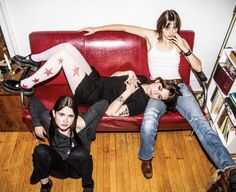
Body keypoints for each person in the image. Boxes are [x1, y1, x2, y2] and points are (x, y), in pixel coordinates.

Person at [79, 9, 236, 190]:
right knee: (149, 121)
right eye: (167, 27)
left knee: (200, 121)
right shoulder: (151, 36)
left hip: (178, 87)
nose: (171, 32)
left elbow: (199, 67)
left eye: (175, 28)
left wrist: (186, 49)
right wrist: (96, 28)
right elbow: (123, 27)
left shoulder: (180, 43)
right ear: (161, 26)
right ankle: (146, 158)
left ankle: (228, 167)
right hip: (159, 89)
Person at [3, 43, 181, 117]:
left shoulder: (141, 102)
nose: (154, 93)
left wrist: (128, 92)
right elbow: (112, 79)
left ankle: (25, 85)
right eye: (159, 88)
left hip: (89, 93)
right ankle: (33, 59)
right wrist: (128, 71)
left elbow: (111, 113)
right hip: (97, 79)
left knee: (64, 56)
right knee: (67, 47)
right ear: (158, 81)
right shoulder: (141, 78)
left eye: (159, 96)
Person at [29, 95, 108, 192]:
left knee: (79, 153)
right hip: (57, 168)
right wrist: (36, 124)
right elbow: (33, 102)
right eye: (61, 114)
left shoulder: (83, 124)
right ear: (54, 113)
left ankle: (88, 183)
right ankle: (46, 185)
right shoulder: (49, 122)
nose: (65, 120)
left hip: (77, 169)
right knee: (40, 150)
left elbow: (104, 102)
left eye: (70, 116)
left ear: (75, 116)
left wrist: (82, 121)